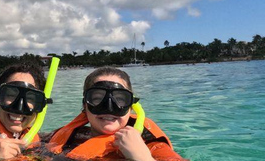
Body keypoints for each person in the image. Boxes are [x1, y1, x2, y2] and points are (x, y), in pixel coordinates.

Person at [46, 67, 186, 161]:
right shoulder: (70, 138)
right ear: (85, 106)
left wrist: (143, 157)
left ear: (131, 106)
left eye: (119, 99)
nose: (108, 107)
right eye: (97, 99)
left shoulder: (151, 147)